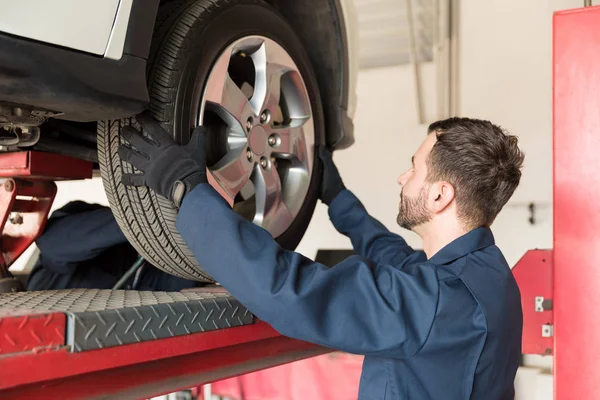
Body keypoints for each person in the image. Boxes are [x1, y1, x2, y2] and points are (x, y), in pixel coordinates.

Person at [119, 112, 525, 399]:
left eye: (414, 168)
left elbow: (288, 289)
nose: (403, 177)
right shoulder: (484, 274)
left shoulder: (437, 303)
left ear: (440, 194)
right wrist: (337, 199)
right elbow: (395, 258)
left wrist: (187, 191)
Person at [27, 200, 201, 292]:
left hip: (143, 238)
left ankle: (153, 217)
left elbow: (54, 247)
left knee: (51, 244)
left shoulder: (41, 281)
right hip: (157, 280)